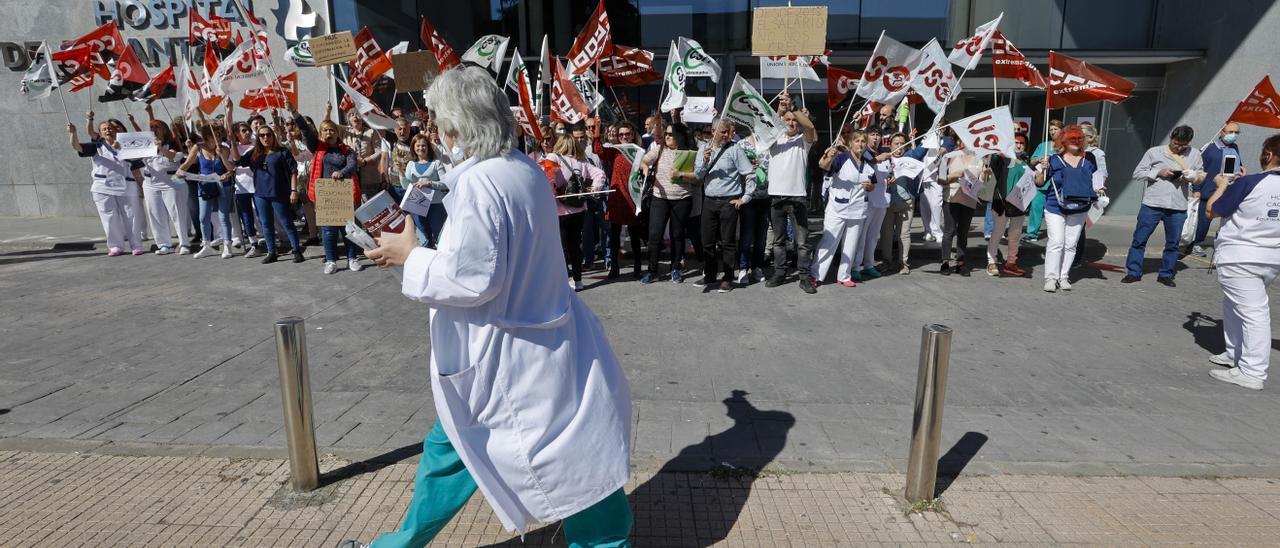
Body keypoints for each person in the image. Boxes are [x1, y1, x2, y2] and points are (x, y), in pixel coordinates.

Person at [358, 66, 633, 548]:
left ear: (456, 127)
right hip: (538, 342)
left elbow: (472, 278)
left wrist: (409, 257)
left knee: (567, 466)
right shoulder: (521, 167)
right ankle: (399, 545)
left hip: (504, 357)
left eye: (438, 121)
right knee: (466, 451)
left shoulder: (481, 183)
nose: (433, 131)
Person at [1203, 134, 1279, 390]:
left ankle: (1253, 371)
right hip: (1270, 258)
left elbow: (1212, 210)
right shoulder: (1250, 182)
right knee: (1234, 305)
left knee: (1254, 312)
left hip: (1241, 257)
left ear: (1268, 154)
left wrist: (1223, 186)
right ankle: (1235, 352)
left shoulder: (1251, 183)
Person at [1123, 125, 1204, 287]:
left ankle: (1166, 274)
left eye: (1183, 145)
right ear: (1171, 138)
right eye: (1176, 143)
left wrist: (1192, 177)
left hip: (1178, 205)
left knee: (1173, 243)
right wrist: (1158, 172)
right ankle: (1133, 272)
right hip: (1152, 203)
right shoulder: (1154, 152)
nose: (1179, 148)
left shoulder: (1195, 154)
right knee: (1139, 239)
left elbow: (1201, 176)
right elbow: (1137, 173)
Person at [293, 106, 363, 275]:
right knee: (328, 232)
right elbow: (306, 130)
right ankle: (331, 261)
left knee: (348, 229)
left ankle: (352, 258)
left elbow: (353, 164)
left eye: (332, 129)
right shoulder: (317, 147)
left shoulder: (346, 150)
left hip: (344, 195)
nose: (329, 133)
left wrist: (342, 172)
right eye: (326, 130)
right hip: (325, 196)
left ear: (337, 132)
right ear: (322, 133)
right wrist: (295, 114)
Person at [806, 129, 875, 292]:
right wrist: (829, 155)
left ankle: (844, 276)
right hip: (837, 209)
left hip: (858, 210)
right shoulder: (841, 158)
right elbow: (823, 166)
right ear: (850, 143)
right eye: (857, 140)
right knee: (828, 243)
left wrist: (870, 186)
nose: (860, 144)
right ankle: (816, 274)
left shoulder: (867, 163)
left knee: (850, 245)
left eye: (863, 141)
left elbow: (873, 185)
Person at [69, 114, 146, 256]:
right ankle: (115, 246)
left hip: (126, 186)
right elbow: (77, 147)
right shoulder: (96, 147)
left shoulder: (128, 146)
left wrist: (121, 148)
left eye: (110, 128)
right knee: (109, 217)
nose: (108, 131)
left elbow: (141, 151)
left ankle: (136, 245)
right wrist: (73, 133)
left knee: (132, 216)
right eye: (104, 129)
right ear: (101, 133)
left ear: (116, 131)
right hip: (103, 187)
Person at [694, 120, 758, 293]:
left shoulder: (735, 149)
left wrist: (745, 198)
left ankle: (728, 277)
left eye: (727, 132)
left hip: (728, 201)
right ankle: (710, 274)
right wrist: (705, 161)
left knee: (727, 242)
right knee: (707, 241)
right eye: (722, 132)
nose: (726, 135)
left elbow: (750, 174)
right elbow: (698, 175)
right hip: (709, 200)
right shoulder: (703, 149)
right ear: (713, 131)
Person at [229, 120, 305, 264]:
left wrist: (294, 190)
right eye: (262, 135)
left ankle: (296, 250)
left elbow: (293, 171)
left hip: (280, 193)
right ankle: (272, 252)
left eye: (268, 134)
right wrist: (233, 142)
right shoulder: (254, 153)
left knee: (287, 222)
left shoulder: (282, 151)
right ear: (258, 138)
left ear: (273, 136)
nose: (265, 138)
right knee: (266, 224)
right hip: (261, 195)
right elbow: (237, 160)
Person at [1037, 125, 1100, 292]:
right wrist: (1042, 170)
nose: (1076, 142)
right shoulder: (1052, 159)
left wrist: (1099, 189)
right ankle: (1051, 278)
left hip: (1080, 206)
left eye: (1079, 138)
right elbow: (1039, 182)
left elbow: (1096, 179)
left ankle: (1063, 276)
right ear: (1063, 140)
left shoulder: (1090, 158)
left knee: (1071, 243)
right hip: (1055, 206)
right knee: (1056, 241)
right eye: (1072, 138)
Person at [543, 135, 607, 291]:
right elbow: (601, 175)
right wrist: (595, 188)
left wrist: (550, 193)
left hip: (560, 209)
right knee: (574, 246)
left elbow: (547, 177)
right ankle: (578, 281)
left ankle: (565, 280)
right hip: (579, 209)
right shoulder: (582, 162)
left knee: (562, 246)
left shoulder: (553, 157)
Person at [640, 123, 699, 284]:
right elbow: (644, 161)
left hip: (682, 198)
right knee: (654, 235)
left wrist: (680, 174)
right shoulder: (659, 149)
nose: (667, 136)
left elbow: (697, 177)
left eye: (670, 134)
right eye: (666, 133)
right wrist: (645, 168)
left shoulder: (689, 154)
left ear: (679, 136)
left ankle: (675, 268)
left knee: (677, 235)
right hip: (660, 197)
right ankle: (652, 270)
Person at [765, 108, 818, 287]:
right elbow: (766, 124)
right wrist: (781, 110)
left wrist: (794, 108)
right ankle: (780, 273)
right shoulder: (774, 139)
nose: (791, 122)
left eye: (794, 120)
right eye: (787, 119)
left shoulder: (803, 141)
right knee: (778, 241)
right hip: (776, 197)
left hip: (797, 198)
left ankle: (804, 277)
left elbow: (810, 127)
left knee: (802, 242)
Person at [176, 121, 235, 259]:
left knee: (223, 216)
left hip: (222, 184)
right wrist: (179, 171)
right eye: (216, 134)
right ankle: (206, 245)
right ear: (207, 136)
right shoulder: (198, 147)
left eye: (220, 134)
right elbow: (187, 163)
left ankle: (227, 245)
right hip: (205, 183)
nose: (219, 137)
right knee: (203, 217)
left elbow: (231, 169)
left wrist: (222, 158)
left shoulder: (224, 148)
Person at [1189, 122, 1244, 257]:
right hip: (1209, 190)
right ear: (1221, 132)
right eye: (1230, 132)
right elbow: (1198, 169)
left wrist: (1240, 173)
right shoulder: (1210, 148)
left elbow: (1238, 165)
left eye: (1236, 133)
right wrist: (1196, 188)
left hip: (1229, 189)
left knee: (1227, 220)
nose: (1233, 135)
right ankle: (1195, 243)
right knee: (1204, 220)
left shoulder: (1235, 148)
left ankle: (1223, 243)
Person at [139, 116, 189, 255]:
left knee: (177, 213)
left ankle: (184, 243)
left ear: (164, 130)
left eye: (157, 127)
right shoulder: (146, 144)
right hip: (150, 183)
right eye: (152, 128)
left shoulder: (172, 143)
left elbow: (173, 156)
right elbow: (131, 155)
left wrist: (160, 147)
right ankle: (164, 244)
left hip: (170, 182)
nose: (154, 130)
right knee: (155, 213)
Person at [604, 121, 646, 279]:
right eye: (621, 134)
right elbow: (599, 150)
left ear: (633, 134)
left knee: (634, 236)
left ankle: (637, 267)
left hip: (632, 197)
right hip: (617, 197)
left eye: (627, 134)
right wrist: (596, 132)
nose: (624, 137)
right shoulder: (615, 151)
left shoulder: (638, 151)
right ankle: (614, 267)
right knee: (614, 236)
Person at [985, 134, 1031, 277]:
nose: (1019, 145)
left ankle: (1011, 262)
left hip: (1019, 203)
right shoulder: (1003, 158)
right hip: (1001, 201)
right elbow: (993, 163)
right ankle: (991, 261)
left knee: (1015, 234)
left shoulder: (1026, 160)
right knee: (997, 232)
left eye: (1022, 143)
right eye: (1016, 142)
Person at [939, 140, 985, 277]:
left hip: (969, 200)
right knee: (949, 231)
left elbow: (981, 183)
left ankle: (960, 263)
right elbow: (940, 180)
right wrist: (953, 176)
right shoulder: (949, 156)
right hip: (951, 198)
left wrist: (985, 175)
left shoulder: (979, 159)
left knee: (963, 232)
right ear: (959, 141)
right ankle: (945, 262)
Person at [880, 133, 920, 275]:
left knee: (904, 234)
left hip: (906, 201)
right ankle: (886, 261)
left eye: (902, 143)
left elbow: (923, 150)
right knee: (886, 234)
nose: (899, 146)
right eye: (896, 143)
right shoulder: (884, 159)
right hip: (887, 203)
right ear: (890, 145)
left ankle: (904, 263)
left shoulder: (910, 158)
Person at [401, 133, 449, 248]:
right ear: (413, 147)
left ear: (428, 147)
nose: (421, 148)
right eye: (418, 146)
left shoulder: (436, 163)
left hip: (435, 204)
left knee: (440, 235)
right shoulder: (411, 164)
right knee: (423, 237)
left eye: (423, 145)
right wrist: (401, 173)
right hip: (417, 203)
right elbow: (405, 185)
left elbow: (446, 184)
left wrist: (429, 183)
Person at [736, 134, 771, 285]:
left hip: (766, 196)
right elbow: (735, 167)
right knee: (747, 235)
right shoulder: (741, 144)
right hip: (748, 197)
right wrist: (748, 166)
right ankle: (743, 268)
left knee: (761, 237)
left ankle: (757, 267)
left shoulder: (769, 143)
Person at [1025, 119, 1063, 242]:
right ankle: (1032, 233)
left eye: (1055, 129)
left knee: (1056, 211)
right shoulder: (1043, 146)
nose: (1052, 132)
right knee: (1036, 208)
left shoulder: (1064, 146)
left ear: (1061, 130)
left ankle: (1056, 235)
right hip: (1041, 181)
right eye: (1051, 130)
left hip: (1056, 184)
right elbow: (1031, 161)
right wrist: (1038, 160)